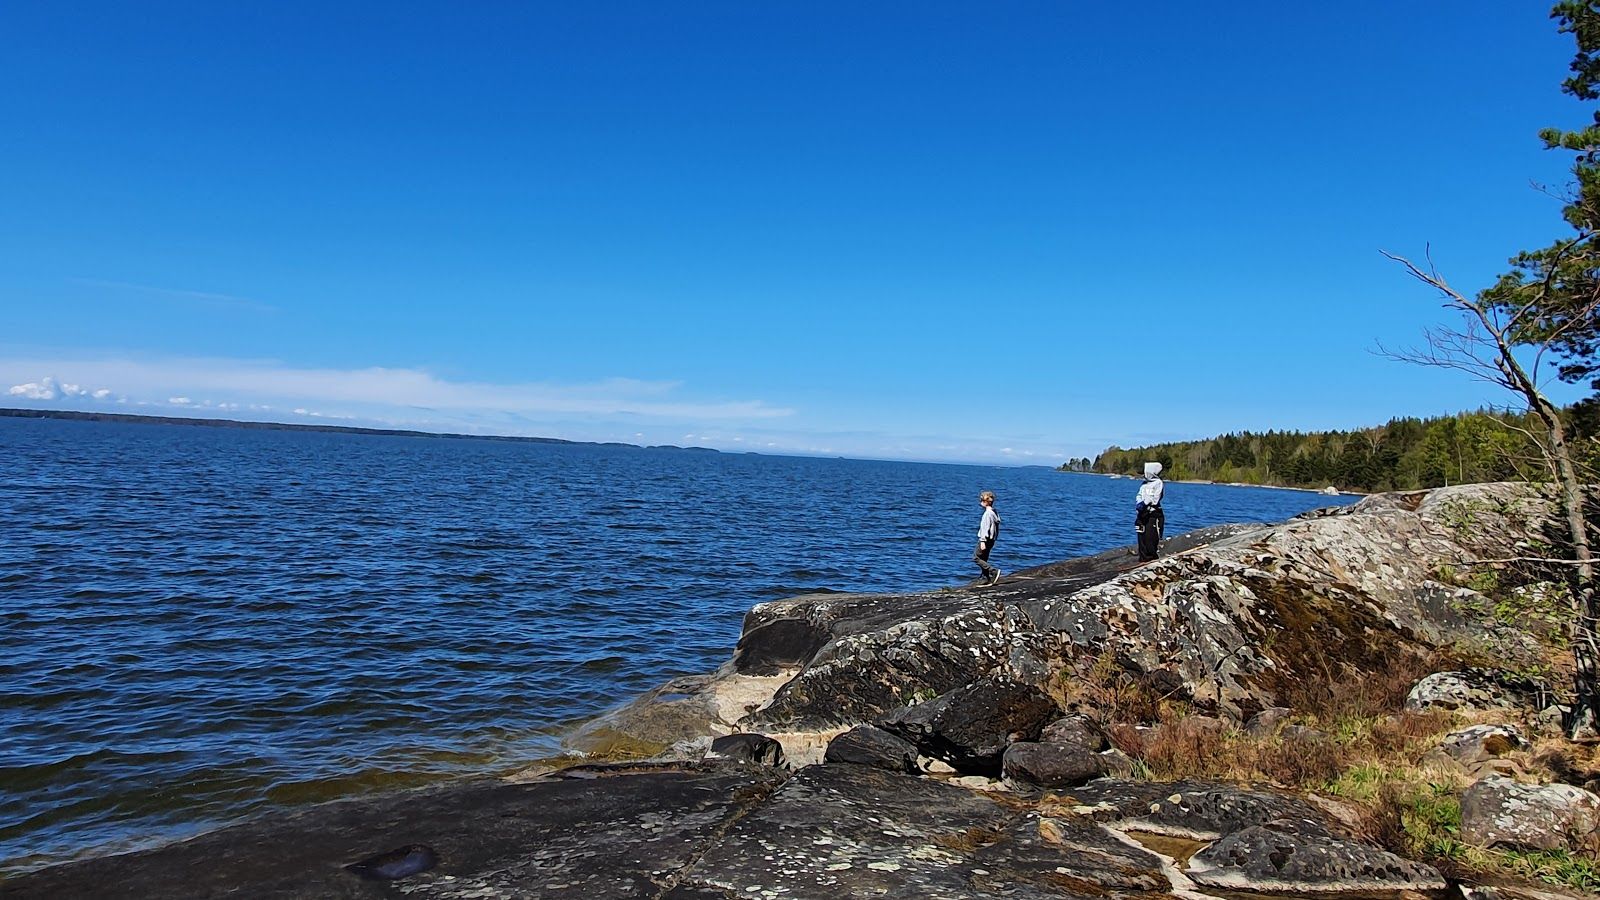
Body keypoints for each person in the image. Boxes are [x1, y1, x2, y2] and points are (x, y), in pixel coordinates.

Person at [1134, 462, 1165, 562]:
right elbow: (1139, 495)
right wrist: (1139, 503)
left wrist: (1145, 503)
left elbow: (1155, 499)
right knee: (1141, 536)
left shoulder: (1158, 483)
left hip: (1153, 514)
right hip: (1142, 514)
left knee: (1150, 538)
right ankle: (1142, 558)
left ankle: (1151, 558)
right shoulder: (1144, 484)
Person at [974, 490, 1002, 585]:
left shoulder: (987, 514)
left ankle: (993, 571)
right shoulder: (994, 513)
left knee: (976, 557)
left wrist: (982, 541)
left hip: (985, 540)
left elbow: (985, 528)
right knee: (984, 558)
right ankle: (985, 578)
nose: (980, 502)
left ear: (986, 502)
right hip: (991, 539)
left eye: (981, 500)